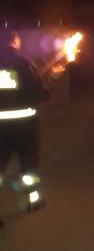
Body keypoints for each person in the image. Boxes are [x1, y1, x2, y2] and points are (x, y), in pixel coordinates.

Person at [0, 29, 49, 214]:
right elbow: (39, 93)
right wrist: (48, 81)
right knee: (28, 165)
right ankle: (32, 201)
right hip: (24, 127)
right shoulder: (23, 64)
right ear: (15, 41)